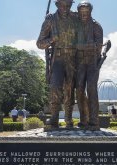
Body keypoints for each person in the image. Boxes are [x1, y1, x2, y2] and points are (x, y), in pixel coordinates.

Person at [37, 0, 78, 129]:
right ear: (56, 5)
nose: (65, 8)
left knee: (70, 89)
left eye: (68, 5)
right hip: (58, 60)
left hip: (72, 59)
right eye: (62, 5)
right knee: (55, 88)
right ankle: (54, 117)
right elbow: (39, 43)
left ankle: (68, 118)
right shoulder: (50, 20)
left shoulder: (76, 18)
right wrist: (51, 40)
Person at [75, 1, 103, 130]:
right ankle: (83, 120)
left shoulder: (96, 26)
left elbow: (98, 47)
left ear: (90, 12)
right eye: (81, 12)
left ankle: (94, 121)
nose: (84, 14)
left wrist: (81, 47)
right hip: (79, 63)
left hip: (92, 63)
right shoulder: (75, 25)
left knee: (92, 89)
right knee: (79, 90)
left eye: (86, 12)